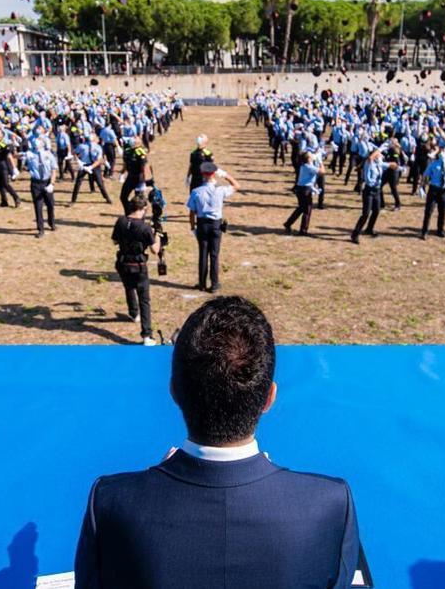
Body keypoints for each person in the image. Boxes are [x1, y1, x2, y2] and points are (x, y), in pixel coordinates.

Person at [74, 296, 362, 589]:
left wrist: (149, 489)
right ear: (269, 398)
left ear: (174, 391)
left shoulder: (111, 501)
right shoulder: (330, 504)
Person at [111, 192, 161, 346]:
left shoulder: (121, 221)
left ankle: (133, 313)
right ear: (144, 208)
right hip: (138, 265)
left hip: (123, 262)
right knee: (144, 299)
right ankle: (147, 334)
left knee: (128, 287)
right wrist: (157, 236)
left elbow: (114, 241)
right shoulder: (145, 228)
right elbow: (155, 250)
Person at [186, 162, 239, 293]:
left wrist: (193, 228)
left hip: (202, 225)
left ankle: (202, 283)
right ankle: (214, 284)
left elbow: (191, 213)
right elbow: (237, 185)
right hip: (216, 225)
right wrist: (225, 175)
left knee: (203, 254)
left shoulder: (196, 191)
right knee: (214, 255)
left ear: (202, 174)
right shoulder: (220, 190)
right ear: (214, 174)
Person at [351, 145, 392, 244]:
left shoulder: (379, 163)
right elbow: (370, 158)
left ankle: (369, 229)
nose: (380, 156)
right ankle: (355, 234)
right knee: (365, 213)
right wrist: (382, 147)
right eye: (379, 155)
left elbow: (389, 165)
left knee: (376, 211)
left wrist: (399, 167)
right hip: (369, 191)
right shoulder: (368, 163)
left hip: (377, 191)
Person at [420, 146, 445, 240]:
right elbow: (425, 176)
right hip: (434, 189)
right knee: (428, 211)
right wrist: (421, 187)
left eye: (444, 151)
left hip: (444, 190)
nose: (442, 153)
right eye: (441, 151)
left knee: (442, 211)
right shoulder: (433, 164)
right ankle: (424, 231)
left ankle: (440, 230)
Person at [24, 138, 58, 237]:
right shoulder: (30, 155)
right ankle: (40, 229)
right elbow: (16, 156)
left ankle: (51, 223)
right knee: (38, 206)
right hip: (36, 183)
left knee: (50, 205)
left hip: (47, 181)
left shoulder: (49, 155)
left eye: (39, 142)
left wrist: (52, 183)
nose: (36, 143)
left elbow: (54, 170)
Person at [284, 148, 321, 236]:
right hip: (305, 190)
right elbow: (322, 171)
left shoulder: (303, 165)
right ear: (308, 159)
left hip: (300, 189)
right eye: (310, 156)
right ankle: (303, 230)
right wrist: (321, 162)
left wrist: (316, 153)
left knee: (301, 208)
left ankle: (288, 223)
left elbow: (311, 159)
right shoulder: (309, 167)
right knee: (307, 210)